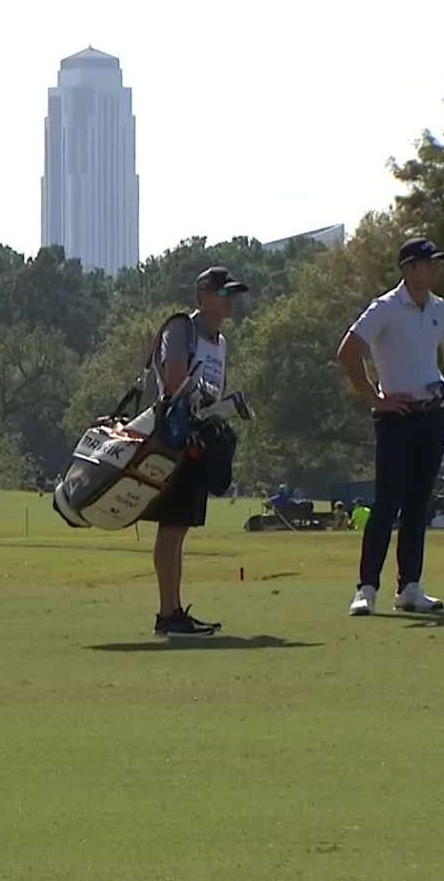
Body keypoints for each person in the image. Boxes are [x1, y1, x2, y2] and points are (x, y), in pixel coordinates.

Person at [337, 237, 444, 616]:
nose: (436, 269)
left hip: (432, 413)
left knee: (417, 503)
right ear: (409, 269)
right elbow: (348, 352)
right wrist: (375, 399)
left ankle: (410, 586)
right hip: (397, 416)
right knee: (387, 503)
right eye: (429, 263)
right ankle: (366, 588)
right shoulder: (386, 308)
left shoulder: (440, 308)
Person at [142, 266, 250, 638]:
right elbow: (174, 383)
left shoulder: (221, 341)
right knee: (171, 529)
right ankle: (168, 614)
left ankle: (173, 611)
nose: (231, 301)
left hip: (198, 442)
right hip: (175, 442)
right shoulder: (181, 329)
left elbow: (211, 393)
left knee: (179, 529)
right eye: (225, 294)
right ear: (203, 297)